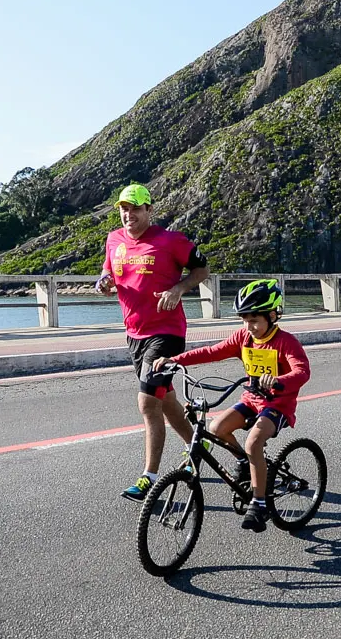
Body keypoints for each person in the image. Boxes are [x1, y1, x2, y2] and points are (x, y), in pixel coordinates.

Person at [155, 279, 311, 532]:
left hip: (277, 404)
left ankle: (259, 503)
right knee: (217, 428)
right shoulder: (243, 337)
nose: (249, 327)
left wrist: (280, 381)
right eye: (244, 320)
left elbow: (302, 372)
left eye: (254, 321)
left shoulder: (285, 342)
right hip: (251, 399)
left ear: (272, 316)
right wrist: (175, 360)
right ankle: (243, 462)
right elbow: (212, 351)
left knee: (253, 442)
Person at [95, 183, 210, 501]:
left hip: (167, 333)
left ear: (149, 210)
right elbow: (108, 274)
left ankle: (149, 477)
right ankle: (198, 444)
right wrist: (103, 284)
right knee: (166, 400)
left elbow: (202, 269)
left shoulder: (170, 240)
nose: (128, 214)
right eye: (123, 208)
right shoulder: (114, 240)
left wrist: (179, 288)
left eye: (134, 208)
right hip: (134, 333)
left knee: (148, 403)